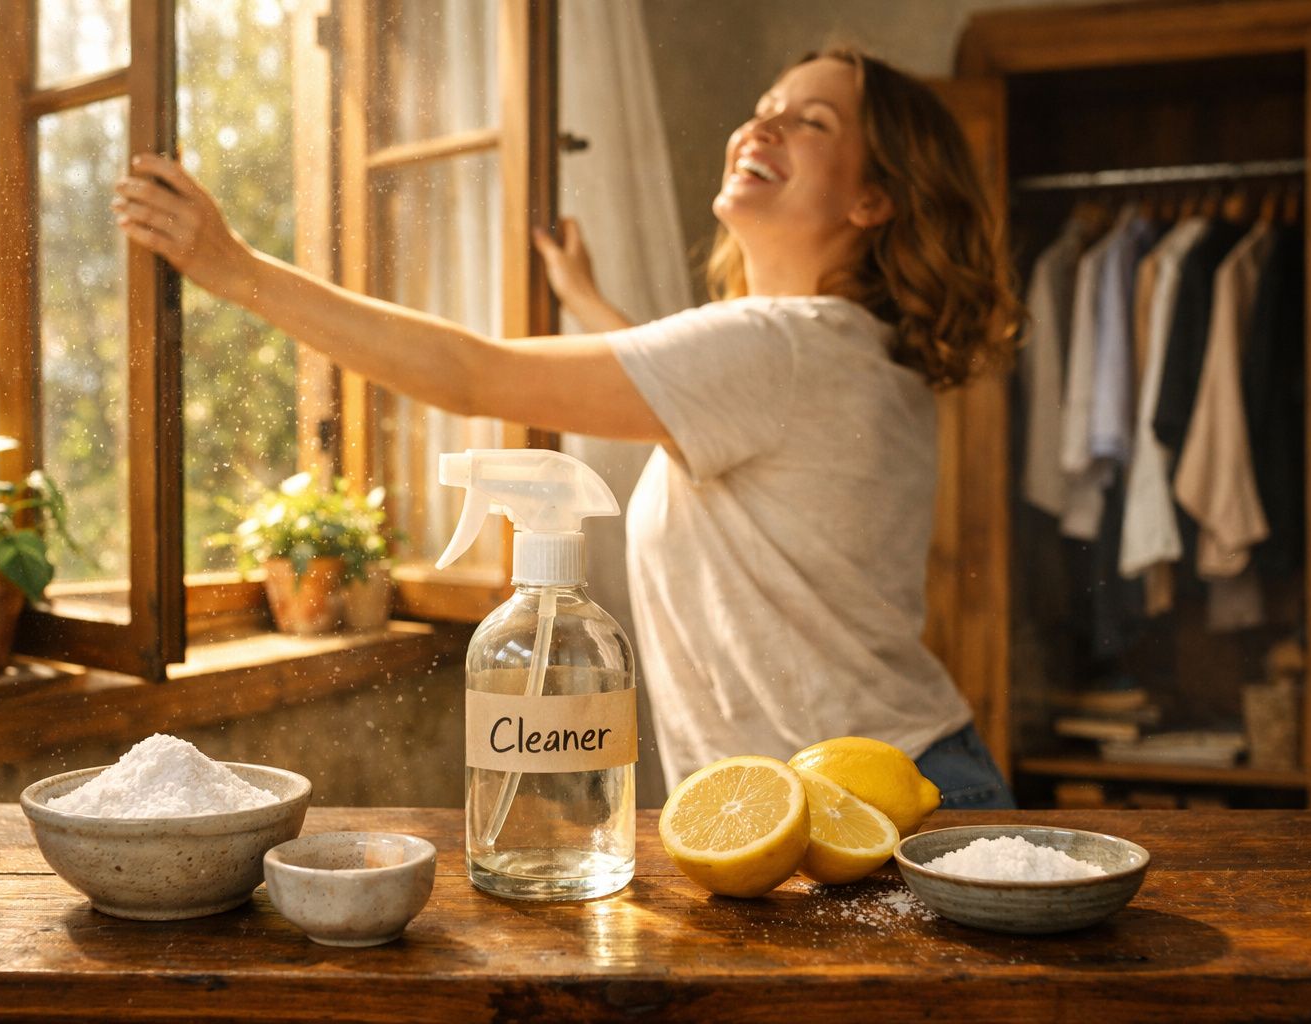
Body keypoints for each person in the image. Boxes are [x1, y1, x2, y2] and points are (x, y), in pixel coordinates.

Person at [113, 48, 1022, 809]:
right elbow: (699, 393)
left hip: (865, 811)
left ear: (874, 199)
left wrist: (231, 269)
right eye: (764, 109)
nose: (762, 127)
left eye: (812, 122)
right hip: (893, 781)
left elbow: (474, 376)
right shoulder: (850, 354)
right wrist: (587, 301)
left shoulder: (778, 350)